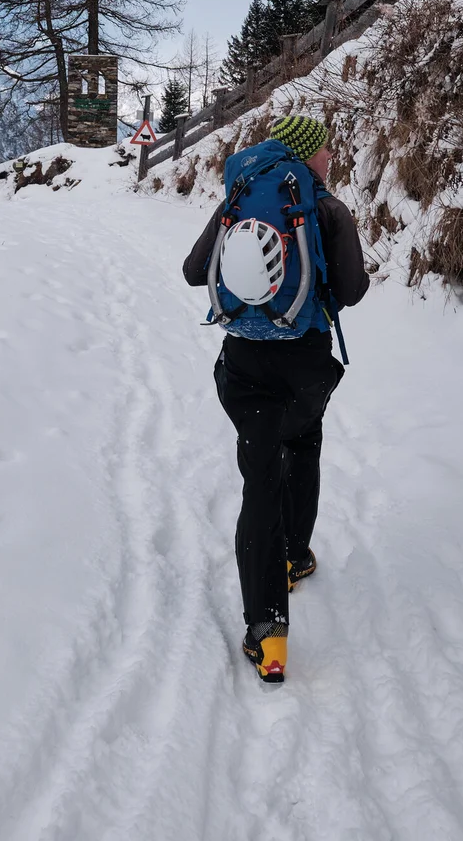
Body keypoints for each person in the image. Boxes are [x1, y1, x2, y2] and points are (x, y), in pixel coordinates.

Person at [182, 114, 368, 683]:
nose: (331, 158)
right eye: (326, 151)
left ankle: (267, 635)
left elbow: (194, 272)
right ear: (307, 155)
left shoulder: (240, 196)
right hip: (305, 370)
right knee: (303, 443)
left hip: (244, 368)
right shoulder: (327, 208)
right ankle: (294, 556)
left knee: (259, 478)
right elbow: (353, 291)